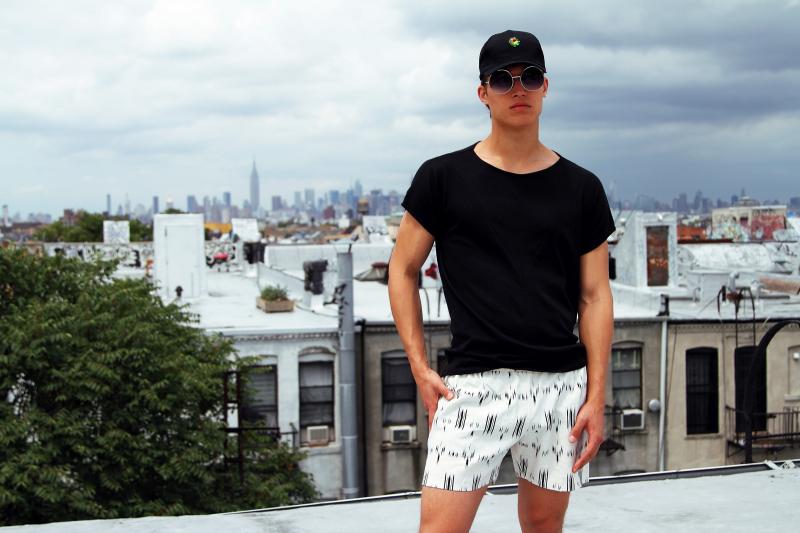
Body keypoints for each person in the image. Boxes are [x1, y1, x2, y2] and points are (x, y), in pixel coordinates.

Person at [387, 29, 616, 533]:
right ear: (482, 92)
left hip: (560, 387)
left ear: (545, 87)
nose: (518, 88)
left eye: (529, 77)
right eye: (502, 79)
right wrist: (419, 367)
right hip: (474, 385)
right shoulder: (442, 178)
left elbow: (595, 295)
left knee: (543, 526)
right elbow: (401, 270)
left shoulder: (582, 188)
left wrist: (596, 396)